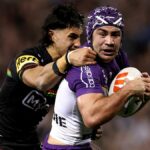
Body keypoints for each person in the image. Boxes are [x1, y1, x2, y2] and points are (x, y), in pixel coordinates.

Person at [42, 6, 150, 150]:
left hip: (83, 143)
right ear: (90, 35)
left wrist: (144, 92)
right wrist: (129, 89)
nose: (109, 41)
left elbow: (123, 109)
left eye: (115, 34)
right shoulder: (85, 65)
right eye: (102, 34)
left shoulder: (117, 57)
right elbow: (92, 118)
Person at [0, 4, 99, 150]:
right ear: (52, 35)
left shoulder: (69, 71)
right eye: (72, 37)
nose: (78, 44)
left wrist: (88, 126)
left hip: (30, 142)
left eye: (79, 37)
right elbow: (40, 81)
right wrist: (67, 59)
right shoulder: (28, 57)